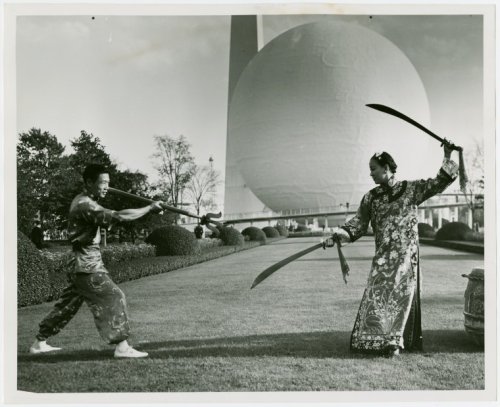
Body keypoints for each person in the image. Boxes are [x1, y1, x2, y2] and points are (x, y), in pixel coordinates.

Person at [330, 143, 458, 356]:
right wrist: (340, 234)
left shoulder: (411, 189)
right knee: (376, 294)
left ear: (386, 167)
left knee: (401, 296)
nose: (370, 173)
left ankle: (394, 342)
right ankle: (373, 338)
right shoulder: (370, 198)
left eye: (373, 168)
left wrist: (446, 155)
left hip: (406, 257)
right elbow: (359, 223)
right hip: (382, 258)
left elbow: (438, 183)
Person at [29, 164, 163, 358]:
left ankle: (39, 343)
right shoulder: (85, 205)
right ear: (89, 182)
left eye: (108, 183)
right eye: (103, 183)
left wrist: (149, 209)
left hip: (80, 264)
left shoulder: (85, 200)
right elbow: (119, 216)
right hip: (87, 266)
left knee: (67, 306)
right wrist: (149, 208)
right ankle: (122, 347)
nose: (106, 187)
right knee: (115, 296)